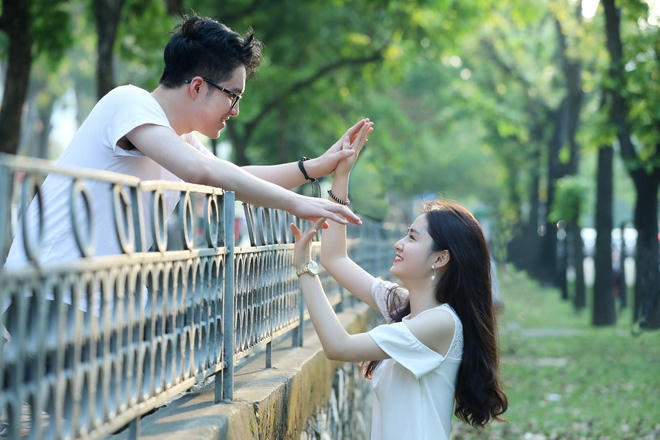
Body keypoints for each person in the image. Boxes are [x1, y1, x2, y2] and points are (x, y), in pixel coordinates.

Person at [4, 15, 365, 271]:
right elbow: (203, 171)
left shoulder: (178, 138)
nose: (236, 110)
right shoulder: (128, 102)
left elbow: (232, 176)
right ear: (197, 86)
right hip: (48, 287)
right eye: (233, 96)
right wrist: (297, 204)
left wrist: (313, 167)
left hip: (94, 297)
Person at [289, 123, 508, 439]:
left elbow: (339, 346)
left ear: (439, 258)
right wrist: (342, 175)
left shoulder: (441, 323)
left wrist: (304, 270)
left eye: (412, 238)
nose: (399, 243)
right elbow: (335, 258)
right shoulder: (406, 306)